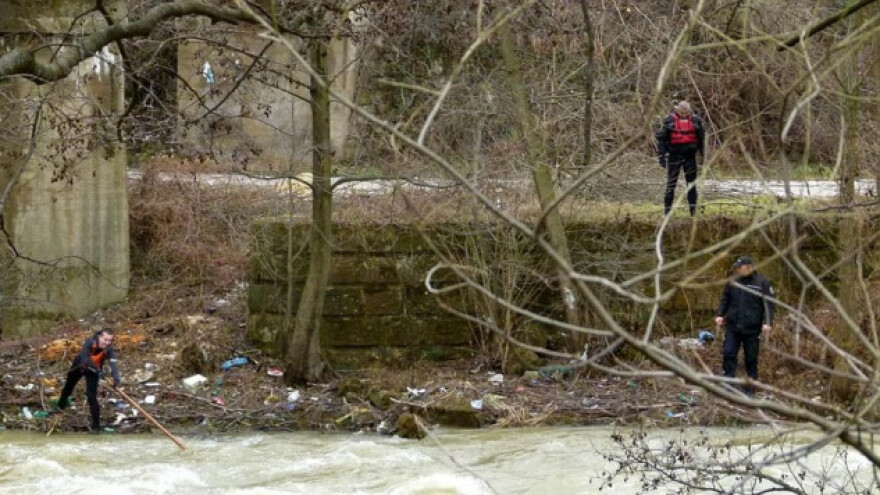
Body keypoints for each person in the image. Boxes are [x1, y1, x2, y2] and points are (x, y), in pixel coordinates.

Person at [714, 256, 775, 397]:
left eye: (739, 267)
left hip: (752, 328)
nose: (736, 270)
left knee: (751, 357)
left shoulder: (762, 282)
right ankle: (728, 382)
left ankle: (751, 387)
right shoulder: (733, 281)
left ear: (748, 267)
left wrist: (768, 322)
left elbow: (769, 305)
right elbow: (725, 299)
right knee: (728, 352)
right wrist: (720, 315)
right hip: (733, 325)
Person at [55, 329, 121, 432]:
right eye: (105, 339)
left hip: (93, 372)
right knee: (68, 387)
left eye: (110, 340)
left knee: (91, 396)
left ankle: (96, 426)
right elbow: (85, 359)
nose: (107, 343)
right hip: (80, 366)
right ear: (99, 337)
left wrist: (116, 379)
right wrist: (98, 370)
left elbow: (114, 364)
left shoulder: (109, 349)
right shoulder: (90, 342)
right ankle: (60, 407)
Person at [656, 101, 705, 216]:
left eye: (686, 112)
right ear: (677, 110)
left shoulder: (696, 121)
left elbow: (701, 140)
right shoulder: (669, 120)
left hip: (690, 156)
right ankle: (666, 213)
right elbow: (662, 140)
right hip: (674, 155)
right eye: (681, 112)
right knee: (671, 184)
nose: (683, 114)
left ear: (689, 111)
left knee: (691, 185)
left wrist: (704, 156)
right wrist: (661, 156)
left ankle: (693, 212)